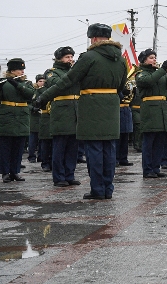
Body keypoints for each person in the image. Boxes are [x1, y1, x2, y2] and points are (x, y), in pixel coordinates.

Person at [37, 24, 128, 200]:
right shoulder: (121, 59)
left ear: (93, 38)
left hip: (91, 107)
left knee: (94, 150)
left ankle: (97, 190)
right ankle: (108, 189)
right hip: (111, 107)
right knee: (109, 150)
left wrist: (43, 97)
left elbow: (68, 81)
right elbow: (121, 86)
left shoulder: (89, 57)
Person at [134, 48, 167, 179]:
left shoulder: (161, 74)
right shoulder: (141, 73)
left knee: (160, 142)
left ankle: (156, 168)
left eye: (155, 57)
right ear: (144, 60)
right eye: (151, 58)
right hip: (150, 110)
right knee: (149, 142)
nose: (154, 60)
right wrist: (162, 70)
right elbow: (149, 81)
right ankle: (147, 169)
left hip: (162, 110)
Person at [44, 46, 81, 187]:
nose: (70, 59)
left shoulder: (75, 71)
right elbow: (57, 85)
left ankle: (69, 175)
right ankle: (59, 177)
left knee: (72, 148)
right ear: (59, 59)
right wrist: (73, 71)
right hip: (61, 112)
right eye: (67, 57)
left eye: (71, 57)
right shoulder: (51, 72)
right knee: (60, 147)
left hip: (75, 111)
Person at [0, 58, 35, 183]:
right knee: (5, 147)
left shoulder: (27, 83)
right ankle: (4, 172)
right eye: (19, 69)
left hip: (21, 117)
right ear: (12, 70)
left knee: (18, 147)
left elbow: (30, 95)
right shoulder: (3, 82)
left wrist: (17, 84)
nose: (22, 71)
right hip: (6, 116)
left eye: (23, 69)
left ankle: (15, 171)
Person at [35, 75, 53, 172]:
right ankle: (45, 163)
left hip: (55, 116)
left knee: (54, 143)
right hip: (45, 116)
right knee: (45, 142)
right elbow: (36, 102)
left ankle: (52, 162)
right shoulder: (41, 90)